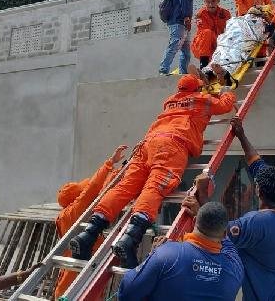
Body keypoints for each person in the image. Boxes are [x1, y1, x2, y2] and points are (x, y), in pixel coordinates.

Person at [70, 74, 236, 268]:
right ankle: (130, 239)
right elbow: (224, 105)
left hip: (147, 145)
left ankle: (87, 234)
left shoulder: (170, 101)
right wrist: (228, 91)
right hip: (171, 145)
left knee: (124, 188)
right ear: (196, 89)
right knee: (154, 188)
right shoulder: (201, 100)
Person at [183, 117, 275, 301]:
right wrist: (241, 135)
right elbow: (257, 164)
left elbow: (216, 231)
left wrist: (200, 205)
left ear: (258, 191)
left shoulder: (257, 223)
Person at [117, 175, 243, 301]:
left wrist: (152, 256)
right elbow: (225, 241)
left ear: (194, 221)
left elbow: (126, 293)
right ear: (225, 232)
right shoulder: (235, 265)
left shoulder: (166, 254)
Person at [53, 145, 128, 299]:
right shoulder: (76, 210)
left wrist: (120, 170)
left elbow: (101, 187)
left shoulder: (64, 215)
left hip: (72, 280)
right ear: (76, 197)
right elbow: (94, 187)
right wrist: (110, 163)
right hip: (77, 285)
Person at [159, 0, 198, 75]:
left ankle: (183, 73)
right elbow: (183, 1)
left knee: (186, 52)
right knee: (175, 45)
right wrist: (186, 17)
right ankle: (163, 69)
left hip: (181, 22)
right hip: (178, 21)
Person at [191, 0, 232, 69]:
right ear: (205, 3)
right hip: (203, 45)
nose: (210, 4)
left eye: (213, 1)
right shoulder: (201, 14)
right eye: (208, 2)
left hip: (221, 44)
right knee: (207, 32)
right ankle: (204, 66)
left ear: (218, 1)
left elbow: (230, 31)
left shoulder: (226, 13)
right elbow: (206, 37)